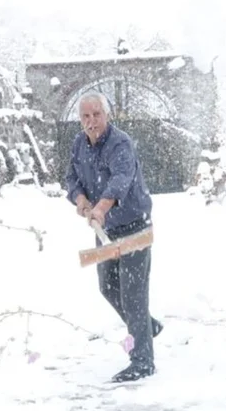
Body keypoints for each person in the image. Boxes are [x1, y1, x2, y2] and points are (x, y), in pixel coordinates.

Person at [65, 91, 161, 382]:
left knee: (133, 295)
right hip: (105, 230)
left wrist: (101, 207)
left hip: (134, 227)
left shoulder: (120, 143)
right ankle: (147, 326)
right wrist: (81, 200)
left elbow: (121, 180)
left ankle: (143, 361)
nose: (91, 121)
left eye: (96, 114)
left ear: (107, 115)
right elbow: (71, 178)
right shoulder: (79, 144)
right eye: (85, 116)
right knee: (107, 286)